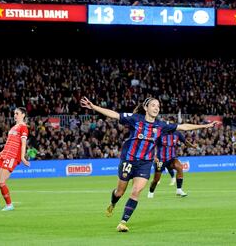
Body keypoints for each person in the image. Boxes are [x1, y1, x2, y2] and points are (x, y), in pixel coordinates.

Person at [80, 96, 216, 232]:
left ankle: (122, 222)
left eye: (158, 106)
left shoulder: (161, 125)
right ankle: (112, 204)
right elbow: (114, 114)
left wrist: (204, 125)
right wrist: (93, 106)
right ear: (146, 108)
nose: (157, 108)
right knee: (119, 192)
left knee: (136, 191)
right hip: (128, 160)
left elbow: (183, 127)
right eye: (153, 105)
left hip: (145, 163)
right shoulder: (135, 119)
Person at [0, 107, 30, 211]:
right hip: (4, 154)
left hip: (12, 156)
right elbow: (8, 143)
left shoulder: (23, 127)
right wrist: (0, 153)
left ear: (23, 115)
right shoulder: (13, 127)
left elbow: (23, 144)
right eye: (14, 113)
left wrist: (22, 157)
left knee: (1, 181)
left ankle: (9, 205)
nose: (15, 115)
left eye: (17, 113)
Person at [148, 131, 197, 198]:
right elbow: (152, 145)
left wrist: (192, 146)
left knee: (179, 167)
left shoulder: (177, 133)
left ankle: (179, 190)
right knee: (156, 179)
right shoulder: (160, 134)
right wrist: (154, 156)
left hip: (172, 158)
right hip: (160, 159)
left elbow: (185, 142)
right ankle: (151, 192)